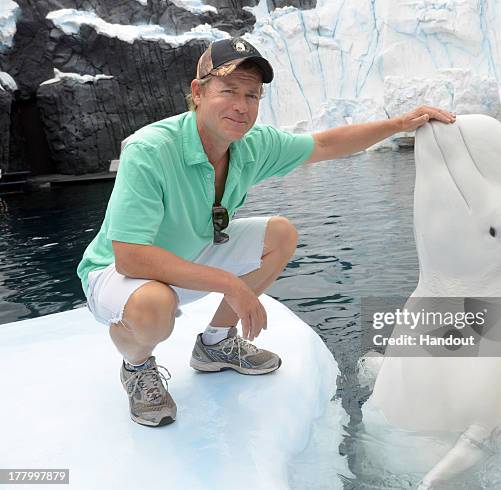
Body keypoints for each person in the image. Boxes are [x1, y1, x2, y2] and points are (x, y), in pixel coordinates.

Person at [76, 37, 456, 427]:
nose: (242, 106)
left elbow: (324, 144)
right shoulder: (151, 149)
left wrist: (399, 125)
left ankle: (216, 345)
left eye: (252, 95)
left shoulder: (252, 145)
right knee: (152, 307)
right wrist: (229, 283)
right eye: (228, 90)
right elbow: (131, 255)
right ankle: (137, 368)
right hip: (118, 275)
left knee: (280, 234)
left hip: (189, 256)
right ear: (198, 92)